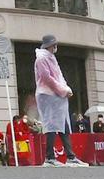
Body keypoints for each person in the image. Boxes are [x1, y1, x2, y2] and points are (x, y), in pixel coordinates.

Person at [34, 35, 88, 166]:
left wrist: (65, 89)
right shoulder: (42, 59)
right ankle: (50, 157)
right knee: (52, 125)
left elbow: (58, 76)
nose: (55, 47)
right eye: (54, 45)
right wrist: (63, 90)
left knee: (63, 125)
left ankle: (70, 156)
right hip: (48, 96)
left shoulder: (51, 58)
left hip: (56, 96)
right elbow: (47, 79)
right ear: (49, 46)